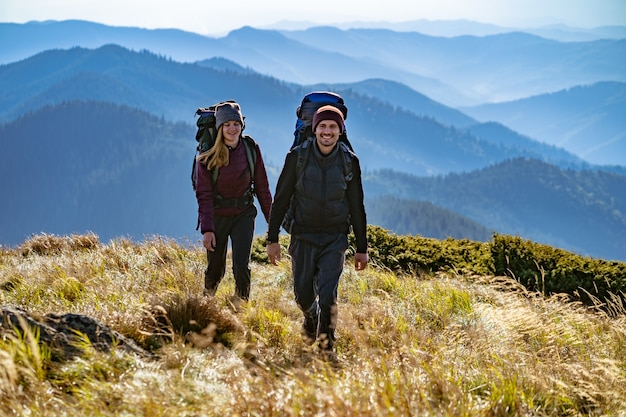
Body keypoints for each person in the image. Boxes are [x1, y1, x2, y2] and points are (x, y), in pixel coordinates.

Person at [266, 104, 368, 353]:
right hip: (302, 234)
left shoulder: (349, 161)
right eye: (322, 126)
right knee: (302, 295)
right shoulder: (297, 158)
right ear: (314, 128)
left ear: (340, 131)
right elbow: (280, 200)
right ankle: (311, 317)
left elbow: (357, 206)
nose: (327, 131)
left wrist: (362, 248)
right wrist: (272, 239)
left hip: (334, 238)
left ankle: (326, 348)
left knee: (328, 293)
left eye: (333, 126)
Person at [195, 101, 272, 304]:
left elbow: (262, 188)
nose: (232, 128)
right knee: (215, 268)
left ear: (242, 125)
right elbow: (204, 196)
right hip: (218, 215)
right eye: (227, 124)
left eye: (236, 123)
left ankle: (241, 306)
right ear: (220, 127)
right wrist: (208, 229)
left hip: (244, 214)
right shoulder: (207, 157)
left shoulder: (250, 148)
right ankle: (207, 303)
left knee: (241, 266)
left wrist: (272, 223)